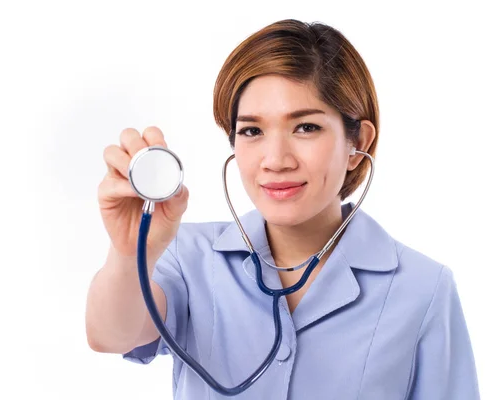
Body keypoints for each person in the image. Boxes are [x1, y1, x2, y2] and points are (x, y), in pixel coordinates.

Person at [86, 19, 480, 399]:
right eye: (252, 131)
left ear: (357, 142)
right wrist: (128, 252)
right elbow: (112, 335)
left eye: (305, 127)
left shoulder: (424, 289)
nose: (275, 160)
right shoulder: (186, 256)